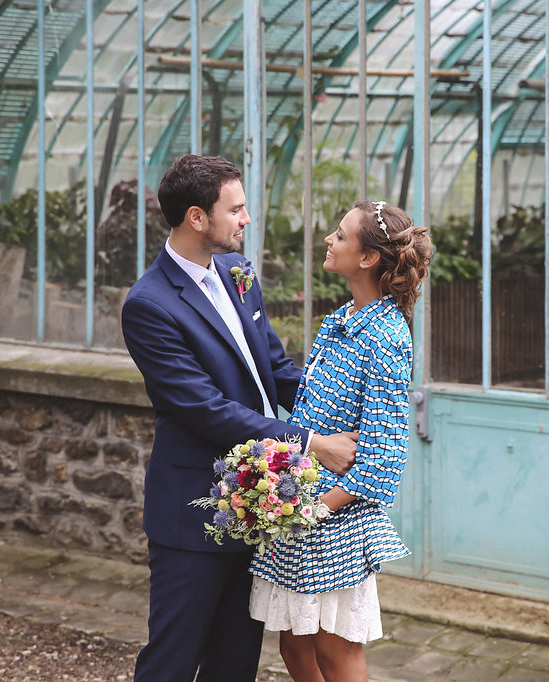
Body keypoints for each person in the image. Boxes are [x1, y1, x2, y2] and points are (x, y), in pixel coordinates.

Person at [121, 154, 359, 682]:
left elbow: (273, 367)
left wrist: (352, 405)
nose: (246, 220)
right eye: (237, 209)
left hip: (257, 507)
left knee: (235, 663)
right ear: (196, 218)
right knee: (173, 660)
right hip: (193, 512)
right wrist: (312, 442)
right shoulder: (149, 305)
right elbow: (206, 409)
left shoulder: (238, 272)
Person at [248, 200, 433, 681]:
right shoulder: (344, 318)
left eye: (341, 235)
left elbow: (383, 457)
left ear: (369, 258)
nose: (329, 239)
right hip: (301, 514)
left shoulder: (387, 336)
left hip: (336, 524)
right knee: (294, 647)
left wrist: (315, 509)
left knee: (336, 655)